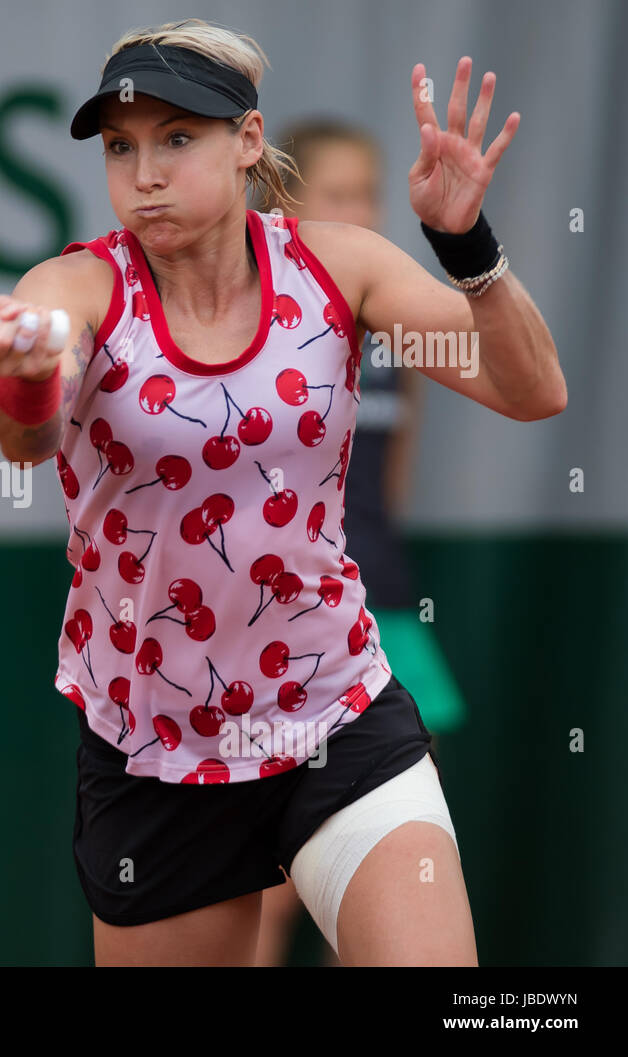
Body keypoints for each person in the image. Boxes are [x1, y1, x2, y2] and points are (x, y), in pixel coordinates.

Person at [0, 18, 564, 966]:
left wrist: (466, 243)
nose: (144, 173)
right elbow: (26, 435)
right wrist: (27, 373)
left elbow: (531, 389)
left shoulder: (337, 265)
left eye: (176, 139)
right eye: (121, 148)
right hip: (154, 749)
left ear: (246, 141)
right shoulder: (77, 287)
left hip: (336, 712)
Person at [253, 118, 469, 966]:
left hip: (388, 608)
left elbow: (389, 480)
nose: (361, 211)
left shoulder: (394, 325)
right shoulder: (265, 323)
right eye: (338, 194)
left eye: (369, 194)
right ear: (285, 203)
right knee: (268, 894)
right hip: (288, 633)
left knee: (407, 867)